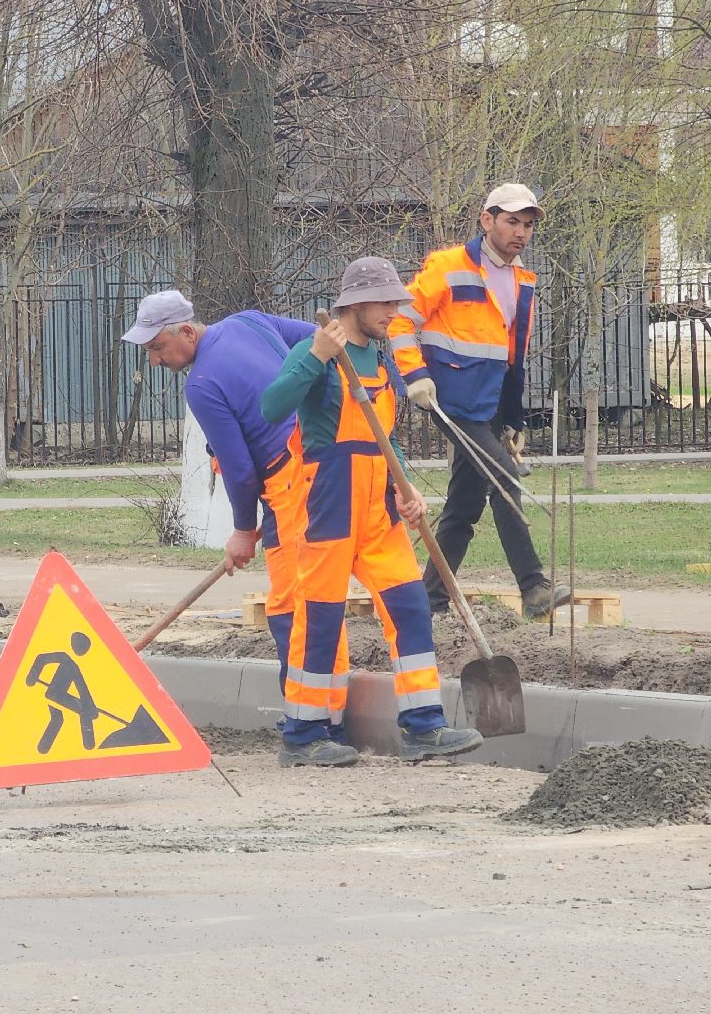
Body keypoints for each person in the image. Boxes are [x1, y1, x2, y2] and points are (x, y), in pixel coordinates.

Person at [261, 257, 484, 766]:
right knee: (318, 620)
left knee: (411, 609)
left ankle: (423, 728)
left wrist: (405, 487)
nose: (394, 312)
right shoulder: (315, 352)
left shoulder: (381, 366)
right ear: (356, 304)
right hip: (328, 507)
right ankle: (303, 735)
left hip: (378, 512)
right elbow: (272, 407)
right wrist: (315, 357)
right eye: (386, 303)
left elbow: (383, 442)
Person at [120, 290, 315, 730]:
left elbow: (241, 471)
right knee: (316, 593)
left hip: (290, 485)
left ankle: (308, 722)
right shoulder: (249, 319)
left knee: (289, 604)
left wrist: (244, 530)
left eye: (157, 348)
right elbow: (323, 342)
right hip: (321, 467)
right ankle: (323, 713)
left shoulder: (202, 384)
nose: (153, 362)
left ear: (187, 331)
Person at [388, 182, 570, 620]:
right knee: (506, 480)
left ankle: (429, 600)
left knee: (464, 506)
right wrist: (415, 376)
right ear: (486, 220)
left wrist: (512, 416)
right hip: (450, 399)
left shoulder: (522, 278)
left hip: (488, 404)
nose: (520, 232)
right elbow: (398, 320)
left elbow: (509, 353)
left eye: (527, 225)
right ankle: (533, 587)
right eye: (511, 222)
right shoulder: (448, 266)